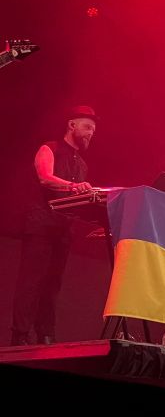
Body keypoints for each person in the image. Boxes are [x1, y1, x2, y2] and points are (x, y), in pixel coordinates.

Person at [10, 106, 97, 346]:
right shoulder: (49, 148)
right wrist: (73, 187)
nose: (91, 133)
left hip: (62, 231)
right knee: (31, 282)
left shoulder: (83, 165)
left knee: (52, 286)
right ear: (72, 125)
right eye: (87, 127)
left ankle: (46, 334)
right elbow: (44, 177)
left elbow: (77, 201)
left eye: (93, 130)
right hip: (40, 225)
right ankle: (20, 335)